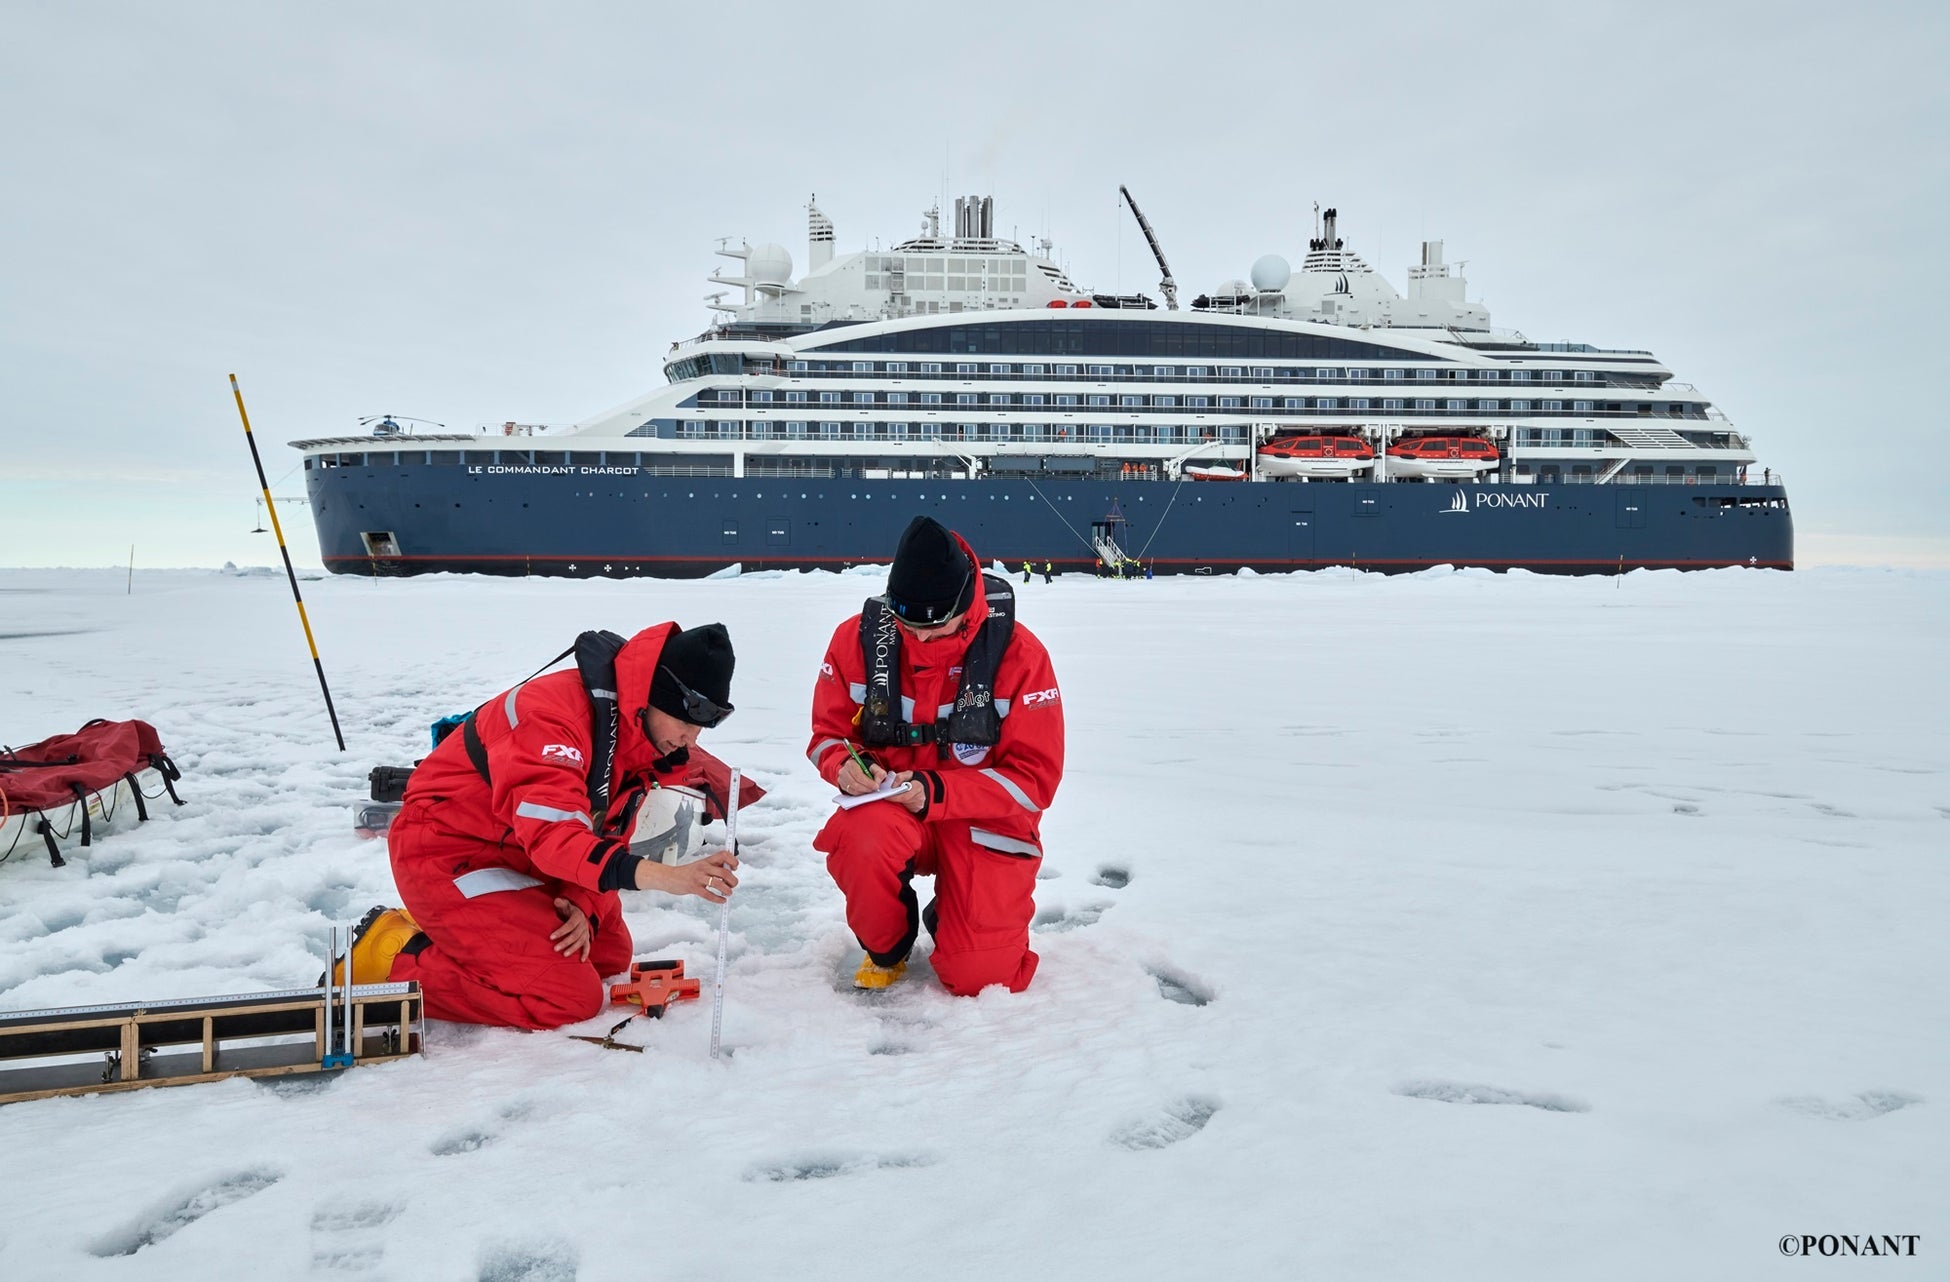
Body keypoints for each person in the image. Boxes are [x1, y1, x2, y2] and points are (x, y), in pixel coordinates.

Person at [335, 623, 743, 1030]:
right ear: (654, 697)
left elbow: (607, 831)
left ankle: (473, 932)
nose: (691, 740)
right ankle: (392, 957)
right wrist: (667, 877)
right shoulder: (553, 718)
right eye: (685, 722)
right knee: (568, 998)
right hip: (447, 852)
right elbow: (554, 838)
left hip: (517, 852)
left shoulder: (638, 740)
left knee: (608, 953)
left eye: (703, 726)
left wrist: (581, 904)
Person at [807, 515, 1064, 994]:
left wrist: (936, 792)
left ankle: (955, 915)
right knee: (860, 838)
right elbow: (828, 734)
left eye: (936, 627)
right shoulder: (855, 642)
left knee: (981, 978)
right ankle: (889, 944)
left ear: (965, 605)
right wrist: (846, 766)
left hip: (986, 821)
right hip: (892, 812)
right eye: (907, 625)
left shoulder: (1021, 655)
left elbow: (1035, 779)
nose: (920, 639)